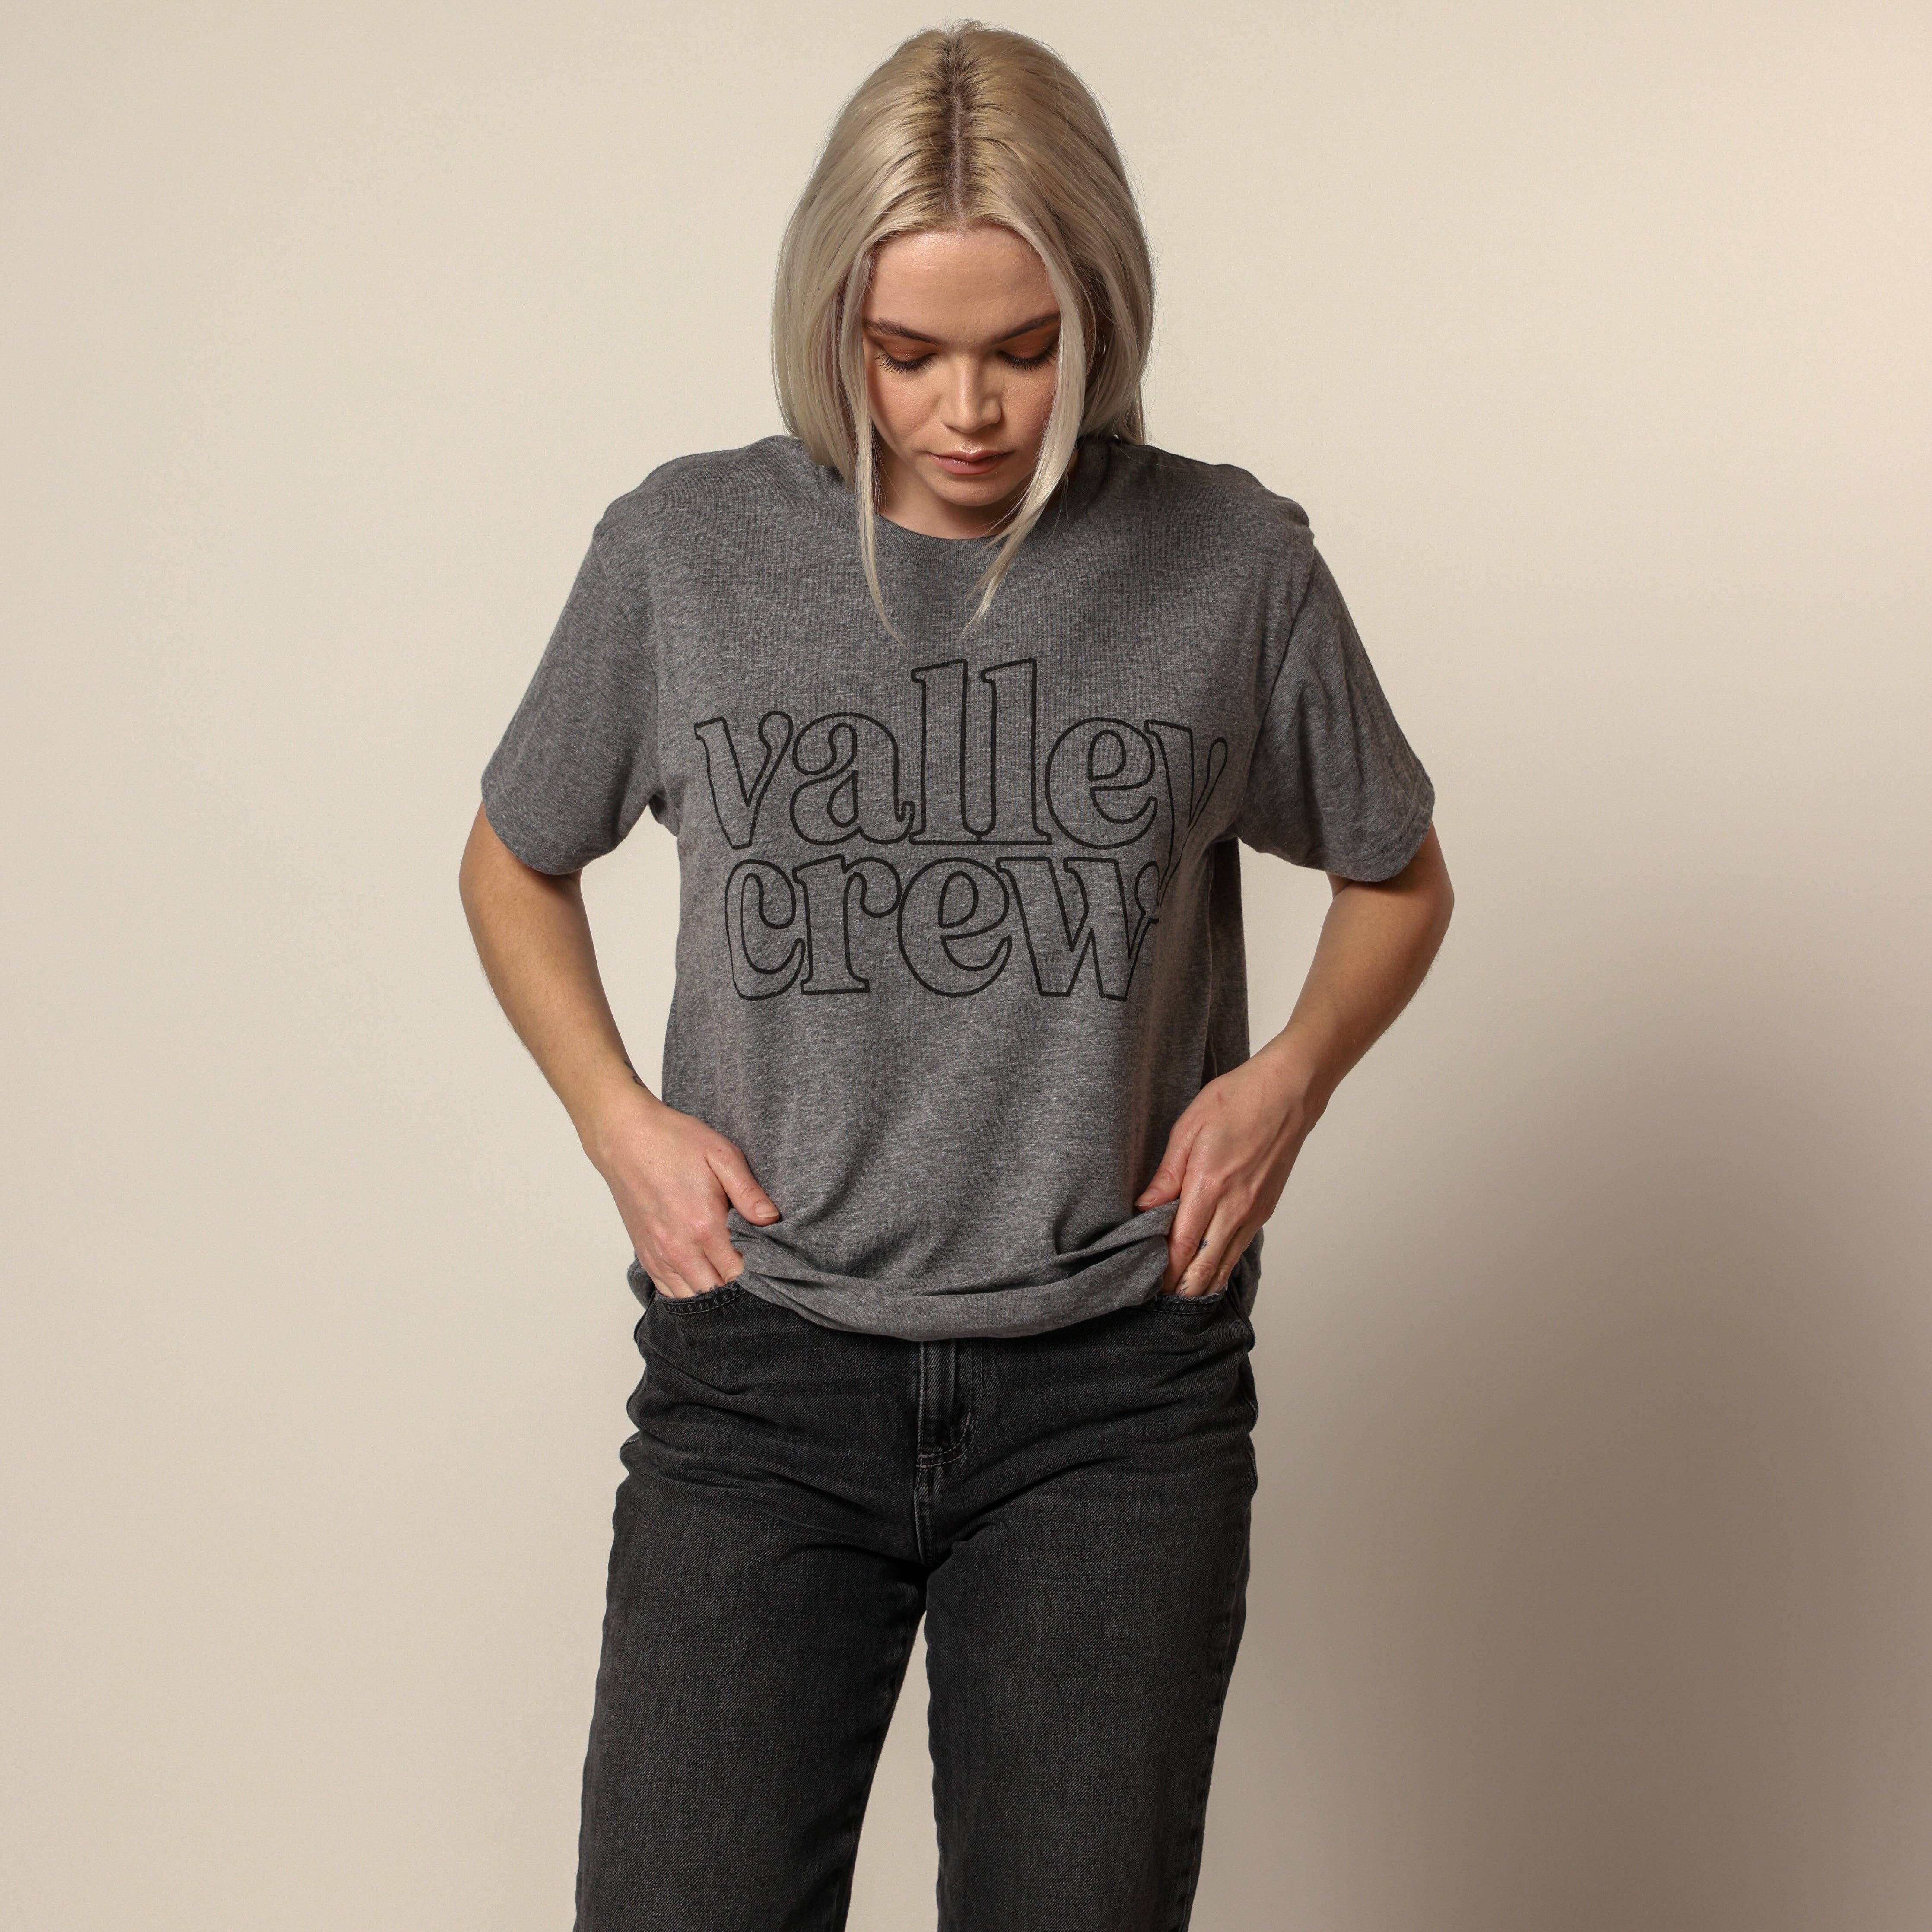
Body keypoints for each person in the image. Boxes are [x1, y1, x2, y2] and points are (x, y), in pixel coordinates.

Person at [458, 21, 1453, 1932]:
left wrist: (1287, 1080)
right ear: (827, 321)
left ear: (1103, 315)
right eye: (906, 351)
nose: (970, 408)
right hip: (760, 1374)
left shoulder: (1230, 563)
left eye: (1026, 347)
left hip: (1116, 1393)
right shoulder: (683, 552)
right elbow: (514, 856)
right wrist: (616, 1121)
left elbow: (1396, 874)